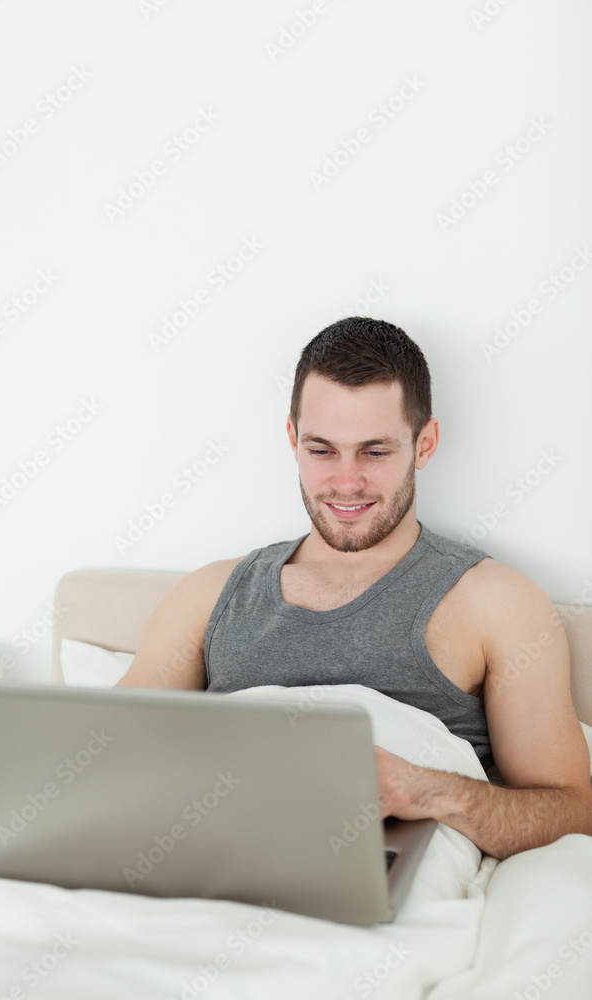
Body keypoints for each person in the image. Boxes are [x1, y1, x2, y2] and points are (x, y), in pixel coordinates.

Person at [116, 316, 592, 860]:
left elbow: (575, 812)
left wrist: (428, 791)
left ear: (426, 443)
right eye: (322, 451)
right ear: (293, 439)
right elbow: (100, 751)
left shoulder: (496, 604)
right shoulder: (211, 595)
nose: (346, 482)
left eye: (375, 452)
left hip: (373, 890)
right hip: (209, 866)